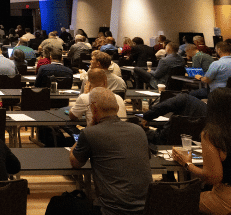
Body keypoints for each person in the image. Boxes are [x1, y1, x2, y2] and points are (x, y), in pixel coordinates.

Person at [70, 87, 151, 215]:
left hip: (110, 210)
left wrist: (87, 129)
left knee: (58, 204)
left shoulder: (90, 133)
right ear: (118, 108)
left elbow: (75, 162)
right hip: (146, 208)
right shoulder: (139, 130)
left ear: (93, 108)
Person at [140, 91, 207, 145]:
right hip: (190, 144)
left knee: (142, 133)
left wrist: (146, 116)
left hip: (165, 139)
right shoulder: (206, 110)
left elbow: (163, 107)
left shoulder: (184, 98)